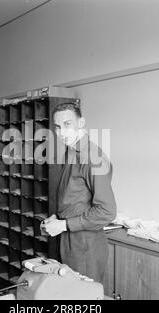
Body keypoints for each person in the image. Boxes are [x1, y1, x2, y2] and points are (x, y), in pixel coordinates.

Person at [41, 102, 117, 283]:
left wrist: (63, 225)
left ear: (81, 123)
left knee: (83, 299)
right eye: (57, 127)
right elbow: (74, 196)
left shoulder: (92, 158)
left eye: (67, 124)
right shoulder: (71, 153)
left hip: (86, 244)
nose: (62, 132)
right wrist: (57, 218)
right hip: (69, 238)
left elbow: (107, 211)